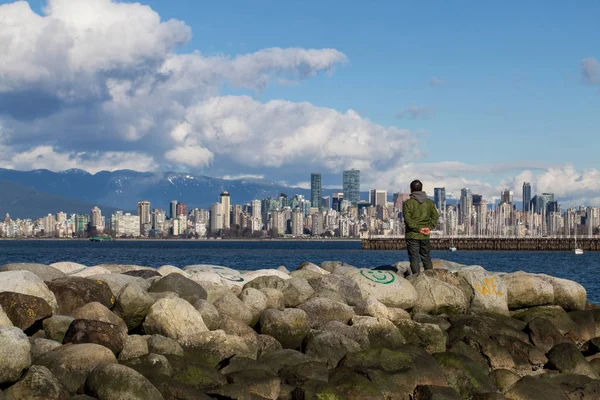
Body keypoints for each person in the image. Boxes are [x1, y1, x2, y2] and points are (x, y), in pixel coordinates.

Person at [403, 180, 439, 274]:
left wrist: (419, 229)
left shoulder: (408, 203)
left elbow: (408, 220)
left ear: (411, 189)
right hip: (425, 235)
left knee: (414, 257)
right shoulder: (430, 203)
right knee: (426, 256)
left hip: (412, 235)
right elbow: (435, 216)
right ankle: (431, 276)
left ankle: (417, 278)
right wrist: (429, 227)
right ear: (421, 189)